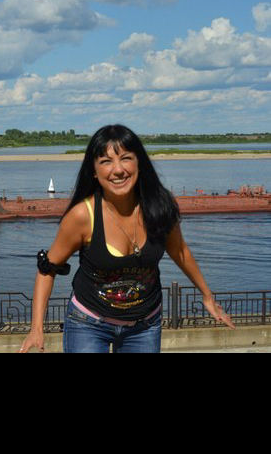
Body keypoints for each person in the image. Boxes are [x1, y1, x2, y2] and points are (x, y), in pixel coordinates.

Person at [19, 124, 234, 354]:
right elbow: (47, 269)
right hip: (88, 323)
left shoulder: (160, 206)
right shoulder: (83, 216)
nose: (118, 170)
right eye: (106, 161)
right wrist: (36, 329)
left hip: (145, 326)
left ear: (139, 162)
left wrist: (207, 296)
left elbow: (180, 251)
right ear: (94, 171)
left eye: (126, 158)